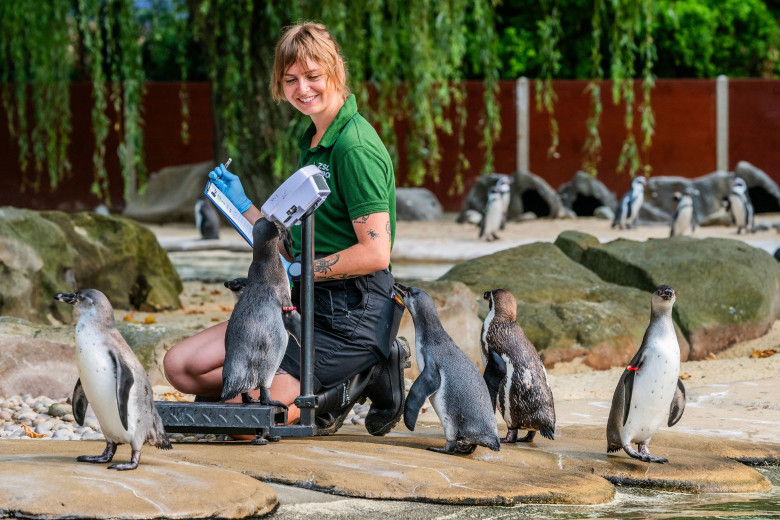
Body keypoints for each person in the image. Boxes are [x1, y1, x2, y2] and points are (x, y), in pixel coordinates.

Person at [163, 22, 407, 436]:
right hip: (302, 302)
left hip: (352, 312)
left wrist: (299, 272)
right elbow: (287, 244)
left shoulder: (355, 148)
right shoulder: (314, 137)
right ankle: (289, 387)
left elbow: (375, 253)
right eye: (291, 79)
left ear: (336, 71)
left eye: (313, 76)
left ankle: (350, 382)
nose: (302, 89)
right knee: (181, 368)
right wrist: (240, 206)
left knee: (242, 423)